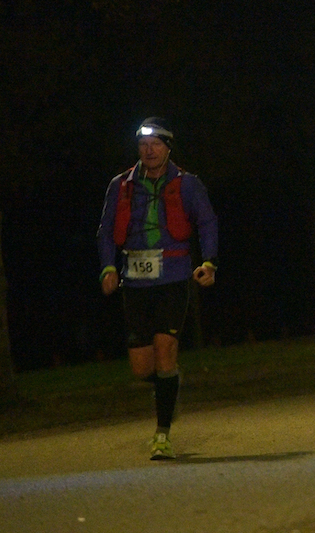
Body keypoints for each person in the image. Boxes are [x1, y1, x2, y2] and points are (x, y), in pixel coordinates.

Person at [97, 117, 219, 460]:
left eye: (156, 145)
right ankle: (169, 387)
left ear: (168, 148)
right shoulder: (120, 185)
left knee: (165, 349)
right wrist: (107, 268)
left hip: (174, 277)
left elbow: (207, 222)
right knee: (142, 367)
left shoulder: (187, 184)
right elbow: (105, 231)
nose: (149, 151)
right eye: (143, 145)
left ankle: (162, 435)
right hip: (134, 280)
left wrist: (208, 262)